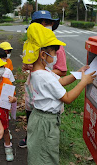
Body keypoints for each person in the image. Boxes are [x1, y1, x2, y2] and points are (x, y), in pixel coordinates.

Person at [22, 23, 96, 165]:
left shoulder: (43, 71)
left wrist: (78, 74)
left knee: (43, 152)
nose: (56, 55)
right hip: (45, 122)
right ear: (43, 54)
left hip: (42, 119)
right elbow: (67, 98)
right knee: (45, 156)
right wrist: (83, 82)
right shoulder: (44, 76)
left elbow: (60, 81)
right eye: (55, 51)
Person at [19, 10, 67, 148]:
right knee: (32, 112)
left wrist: (45, 74)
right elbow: (28, 62)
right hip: (34, 85)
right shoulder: (31, 44)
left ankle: (46, 139)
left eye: (48, 23)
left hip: (47, 86)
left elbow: (62, 70)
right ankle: (30, 137)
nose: (44, 25)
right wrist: (28, 67)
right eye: (41, 23)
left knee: (45, 113)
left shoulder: (55, 46)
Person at [0, 48, 17, 121]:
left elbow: (11, 84)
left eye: (4, 58)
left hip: (5, 98)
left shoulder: (7, 71)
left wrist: (13, 97)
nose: (2, 60)